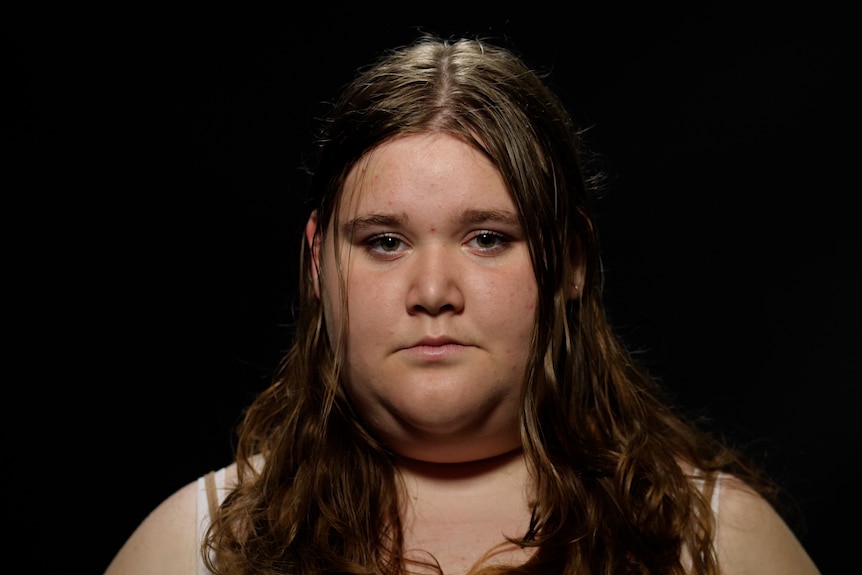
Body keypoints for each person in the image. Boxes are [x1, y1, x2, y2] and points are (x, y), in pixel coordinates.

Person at [105, 34, 821, 575]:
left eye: (486, 237)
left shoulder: (717, 542)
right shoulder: (193, 547)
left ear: (570, 260)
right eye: (385, 240)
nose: (434, 293)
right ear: (318, 259)